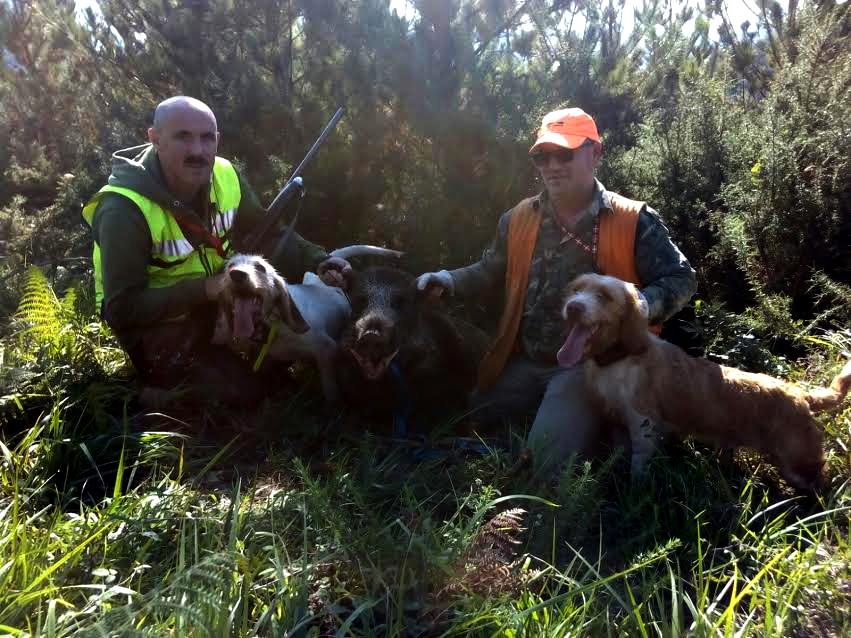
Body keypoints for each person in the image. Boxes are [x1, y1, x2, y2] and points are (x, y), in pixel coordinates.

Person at [416, 107, 697, 473]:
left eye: (564, 154)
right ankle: (575, 424)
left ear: (595, 153)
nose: (552, 165)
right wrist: (448, 280)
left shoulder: (633, 220)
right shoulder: (518, 218)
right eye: (542, 156)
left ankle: (604, 433)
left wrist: (641, 304)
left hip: (593, 368)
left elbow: (682, 278)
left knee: (546, 462)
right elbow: (488, 270)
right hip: (525, 359)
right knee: (467, 415)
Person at [82, 95, 350, 406]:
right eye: (183, 137)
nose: (198, 150)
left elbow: (270, 232)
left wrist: (319, 259)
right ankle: (146, 395)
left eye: (207, 138)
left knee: (268, 373)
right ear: (155, 139)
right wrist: (206, 289)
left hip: (216, 300)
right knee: (241, 394)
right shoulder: (123, 209)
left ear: (217, 140)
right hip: (157, 322)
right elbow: (122, 310)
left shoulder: (225, 175)